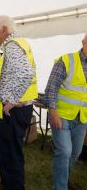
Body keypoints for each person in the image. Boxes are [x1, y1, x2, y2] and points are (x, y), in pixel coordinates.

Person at [0, 15, 38, 190]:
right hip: (13, 110)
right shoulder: (12, 45)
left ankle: (14, 186)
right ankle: (5, 182)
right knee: (5, 149)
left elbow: (25, 74)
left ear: (4, 30)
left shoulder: (13, 46)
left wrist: (11, 101)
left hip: (15, 110)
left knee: (11, 153)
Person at [44, 33, 87, 190]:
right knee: (64, 152)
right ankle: (60, 186)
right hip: (61, 116)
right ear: (83, 42)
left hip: (81, 118)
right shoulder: (66, 60)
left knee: (75, 153)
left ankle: (64, 177)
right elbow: (51, 87)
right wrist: (53, 112)